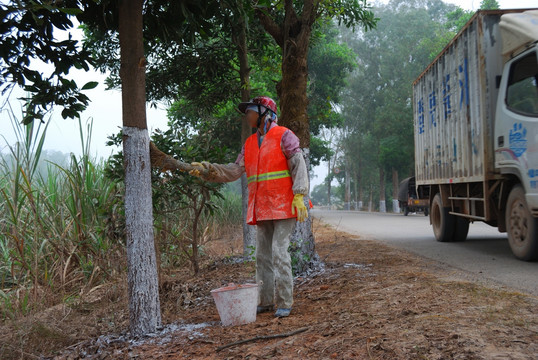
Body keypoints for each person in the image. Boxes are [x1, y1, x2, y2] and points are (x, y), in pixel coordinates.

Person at [189, 96, 309, 318]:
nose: (248, 115)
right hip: (262, 207)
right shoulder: (249, 144)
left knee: (279, 251)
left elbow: (298, 164)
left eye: (251, 111)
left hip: (284, 205)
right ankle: (265, 301)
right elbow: (234, 170)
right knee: (262, 256)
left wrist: (300, 194)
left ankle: (285, 301)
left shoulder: (284, 135)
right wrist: (209, 169)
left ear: (266, 113)